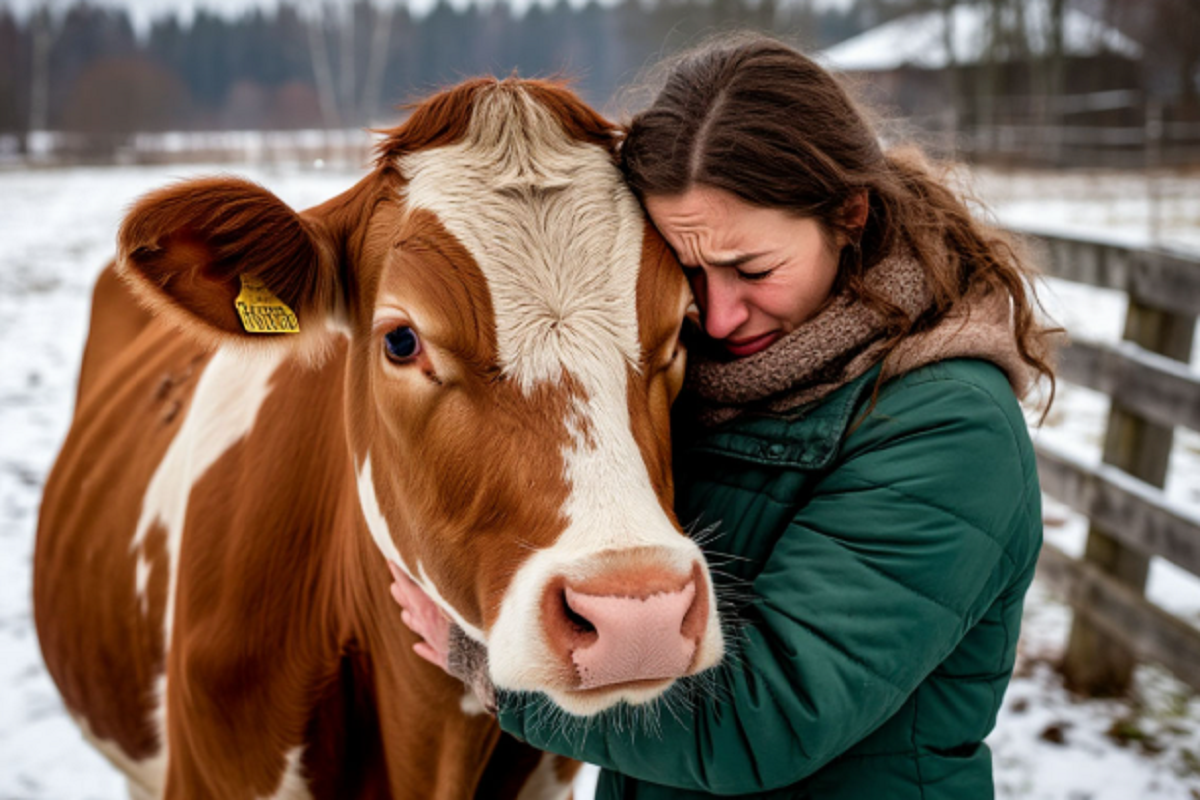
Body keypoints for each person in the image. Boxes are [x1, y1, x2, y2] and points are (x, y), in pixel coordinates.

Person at [391, 34, 1058, 800]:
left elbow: (762, 718)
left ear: (849, 213)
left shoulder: (948, 428)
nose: (717, 311)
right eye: (685, 267)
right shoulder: (686, 378)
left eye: (753, 269)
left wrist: (493, 663)